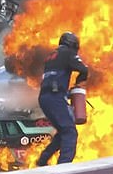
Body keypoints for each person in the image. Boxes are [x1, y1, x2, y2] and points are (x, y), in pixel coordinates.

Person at [36, 32, 88, 166]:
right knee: (70, 132)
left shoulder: (51, 56)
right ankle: (64, 168)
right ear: (73, 45)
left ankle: (42, 160)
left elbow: (55, 76)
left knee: (63, 131)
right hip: (55, 97)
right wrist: (79, 82)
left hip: (44, 98)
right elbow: (83, 69)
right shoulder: (68, 53)